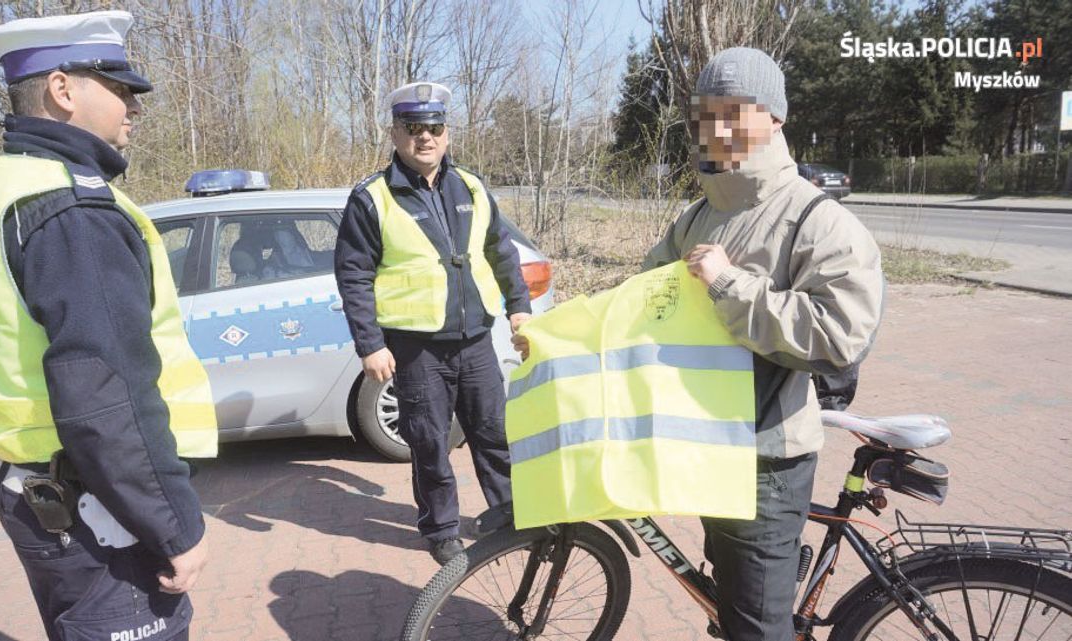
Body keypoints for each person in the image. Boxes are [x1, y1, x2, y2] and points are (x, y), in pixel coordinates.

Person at [513, 47, 885, 641]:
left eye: (733, 111)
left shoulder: (816, 220)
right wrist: (556, 337)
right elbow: (636, 303)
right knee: (732, 609)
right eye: (702, 116)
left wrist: (730, 284)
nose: (715, 129)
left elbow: (841, 335)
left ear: (775, 118)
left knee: (755, 629)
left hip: (766, 458)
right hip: (710, 447)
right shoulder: (698, 216)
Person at [0, 11, 217, 641]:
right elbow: (106, 393)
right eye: (120, 89)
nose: (135, 107)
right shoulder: (73, 209)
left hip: (29, 491)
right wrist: (173, 527)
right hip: (98, 510)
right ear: (63, 91)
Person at [334, 81, 532, 565]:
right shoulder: (372, 198)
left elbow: (500, 251)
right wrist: (370, 344)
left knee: (493, 432)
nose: (425, 137)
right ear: (396, 133)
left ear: (447, 133)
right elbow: (353, 274)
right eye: (414, 127)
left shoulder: (471, 186)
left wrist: (519, 307)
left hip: (475, 339)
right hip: (415, 348)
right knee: (429, 444)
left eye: (435, 127)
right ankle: (441, 529)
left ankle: (510, 514)